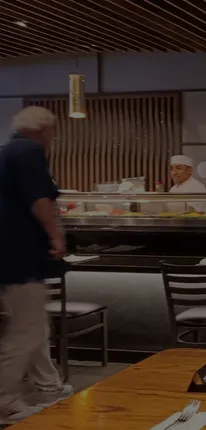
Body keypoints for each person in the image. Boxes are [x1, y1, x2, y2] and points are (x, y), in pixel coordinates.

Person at [0, 107, 72, 424]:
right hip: (19, 255)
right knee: (25, 332)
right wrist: (56, 236)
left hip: (8, 254)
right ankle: (5, 403)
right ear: (45, 131)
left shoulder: (6, 151)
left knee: (34, 326)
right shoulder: (29, 151)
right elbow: (39, 199)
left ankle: (47, 387)